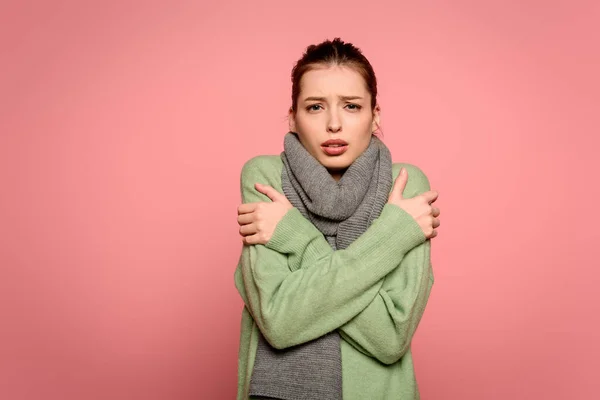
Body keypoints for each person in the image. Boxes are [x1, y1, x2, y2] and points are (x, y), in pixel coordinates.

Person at [233, 37, 441, 400]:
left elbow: (391, 336)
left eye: (351, 106)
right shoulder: (265, 177)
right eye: (315, 107)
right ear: (293, 117)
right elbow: (278, 321)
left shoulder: (404, 185)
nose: (333, 124)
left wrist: (295, 237)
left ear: (374, 115)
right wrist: (393, 236)